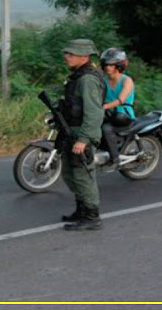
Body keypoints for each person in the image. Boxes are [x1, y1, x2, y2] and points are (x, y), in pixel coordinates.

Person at [58, 39, 106, 231]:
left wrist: (84, 140)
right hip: (72, 131)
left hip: (81, 132)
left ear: (84, 57)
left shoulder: (88, 79)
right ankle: (81, 209)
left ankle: (92, 216)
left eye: (71, 54)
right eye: (67, 53)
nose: (67, 57)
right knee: (71, 173)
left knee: (83, 175)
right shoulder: (78, 76)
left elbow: (94, 113)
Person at [98, 48, 136, 171]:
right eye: (106, 64)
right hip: (107, 113)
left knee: (106, 128)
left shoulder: (126, 80)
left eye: (111, 64)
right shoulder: (104, 80)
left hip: (122, 114)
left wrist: (104, 106)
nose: (108, 67)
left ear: (118, 65)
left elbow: (121, 100)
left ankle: (115, 159)